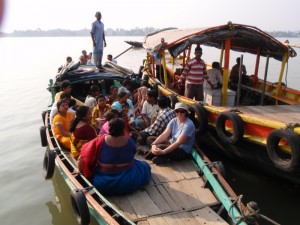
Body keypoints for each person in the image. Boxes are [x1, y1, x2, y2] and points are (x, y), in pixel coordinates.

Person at [79, 118, 151, 195]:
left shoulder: (98, 141)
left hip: (103, 183)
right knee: (145, 166)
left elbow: (82, 157)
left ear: (109, 128)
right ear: (123, 129)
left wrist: (80, 171)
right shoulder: (130, 141)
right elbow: (132, 155)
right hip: (128, 181)